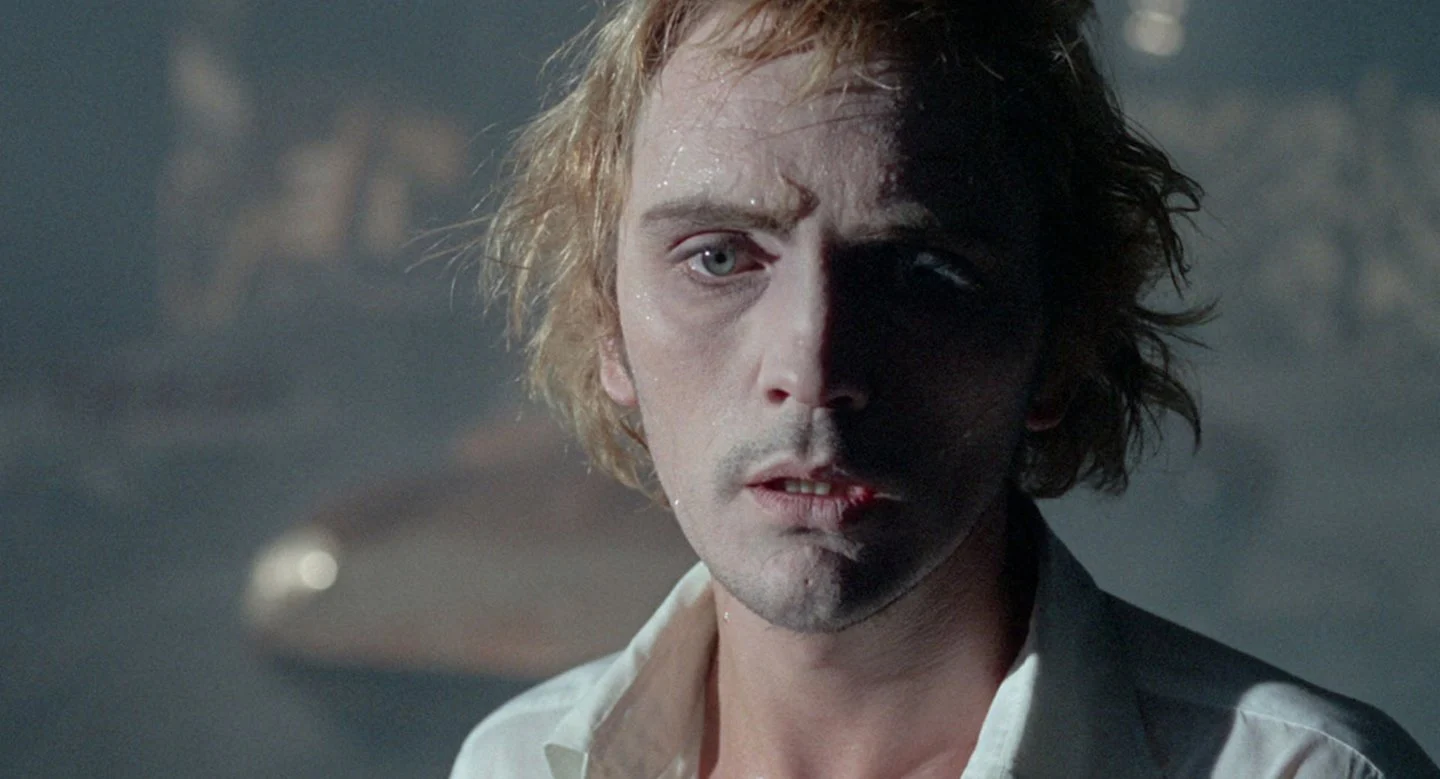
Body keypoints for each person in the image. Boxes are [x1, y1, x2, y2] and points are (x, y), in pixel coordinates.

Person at [450, 0, 1439, 776]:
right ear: (609, 322)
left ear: (1059, 339)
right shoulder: (519, 762)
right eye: (718, 257)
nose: (812, 368)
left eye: (923, 271)